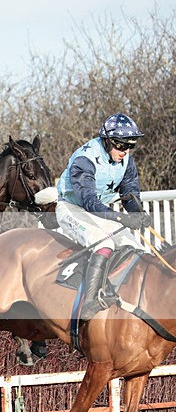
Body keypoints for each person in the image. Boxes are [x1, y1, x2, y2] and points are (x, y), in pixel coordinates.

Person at [56, 112, 151, 320]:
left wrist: (139, 213)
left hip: (97, 210)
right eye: (121, 145)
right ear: (107, 141)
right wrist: (122, 219)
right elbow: (89, 201)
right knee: (104, 244)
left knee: (135, 247)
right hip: (72, 208)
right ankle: (89, 302)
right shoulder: (85, 159)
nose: (125, 151)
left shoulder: (127, 161)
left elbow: (129, 194)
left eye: (130, 146)